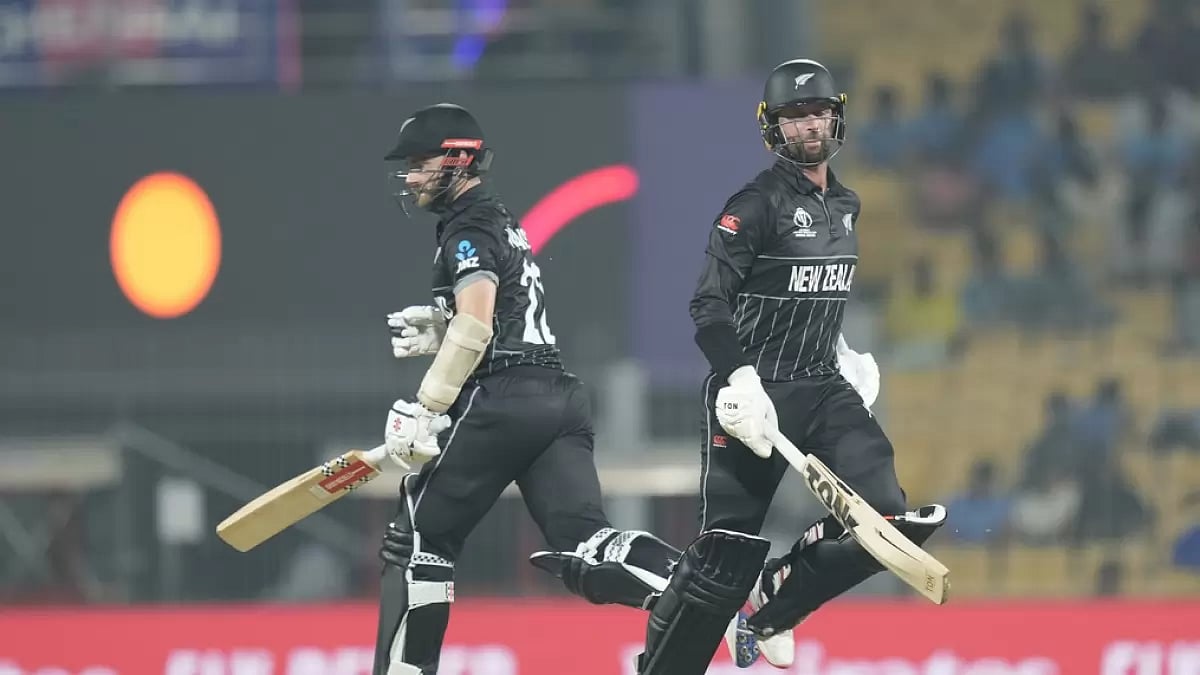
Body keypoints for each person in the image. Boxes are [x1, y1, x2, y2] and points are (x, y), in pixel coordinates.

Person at [633, 60, 948, 674]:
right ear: (772, 128)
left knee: (889, 520)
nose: (809, 125)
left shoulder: (848, 204)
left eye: (818, 113)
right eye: (794, 116)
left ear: (838, 117)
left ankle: (776, 602)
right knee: (721, 563)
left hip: (824, 389)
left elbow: (811, 294)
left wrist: (841, 353)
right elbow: (707, 303)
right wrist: (739, 377)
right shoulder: (754, 205)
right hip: (754, 397)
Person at [372, 102, 679, 675]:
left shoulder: (467, 225)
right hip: (557, 395)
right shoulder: (500, 217)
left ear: (458, 160)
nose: (411, 177)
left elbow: (478, 323)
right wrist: (442, 326)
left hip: (504, 396)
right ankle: (700, 586)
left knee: (420, 532)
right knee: (584, 543)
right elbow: (496, 315)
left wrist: (426, 406)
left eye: (419, 164)